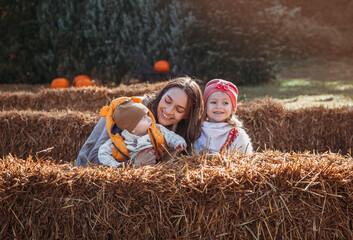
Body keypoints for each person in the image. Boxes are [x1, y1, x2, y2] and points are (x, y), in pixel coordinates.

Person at [76, 76, 204, 167]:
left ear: (188, 115)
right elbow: (92, 160)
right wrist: (134, 163)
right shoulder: (130, 110)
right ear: (162, 94)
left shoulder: (178, 131)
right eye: (167, 101)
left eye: (179, 109)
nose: (169, 111)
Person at [98, 98, 187, 167]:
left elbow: (170, 135)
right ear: (132, 128)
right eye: (144, 118)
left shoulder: (156, 129)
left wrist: (178, 142)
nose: (149, 119)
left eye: (147, 115)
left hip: (155, 168)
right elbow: (102, 153)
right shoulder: (119, 141)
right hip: (134, 171)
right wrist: (117, 165)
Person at [193, 79, 253, 155]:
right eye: (213, 102)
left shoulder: (237, 136)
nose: (218, 107)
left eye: (225, 103)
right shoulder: (198, 132)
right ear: (205, 106)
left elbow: (247, 160)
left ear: (232, 108)